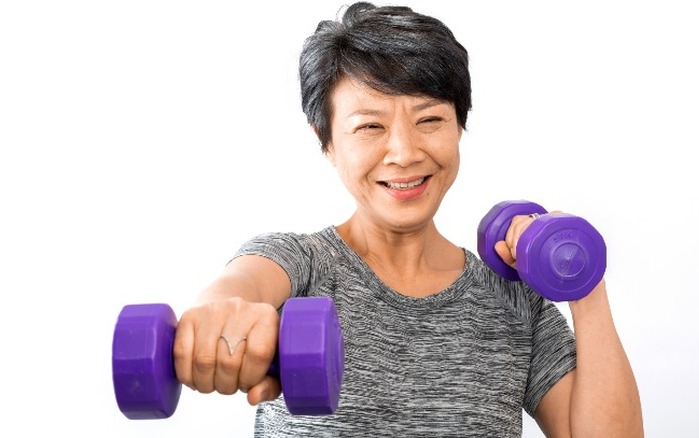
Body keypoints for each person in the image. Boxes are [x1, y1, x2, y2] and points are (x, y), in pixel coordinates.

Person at [172, 2, 643, 436]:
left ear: (460, 125)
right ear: (327, 140)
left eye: (430, 120)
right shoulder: (301, 264)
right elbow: (241, 285)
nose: (404, 152)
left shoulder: (515, 302)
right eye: (370, 126)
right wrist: (218, 311)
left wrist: (584, 287)